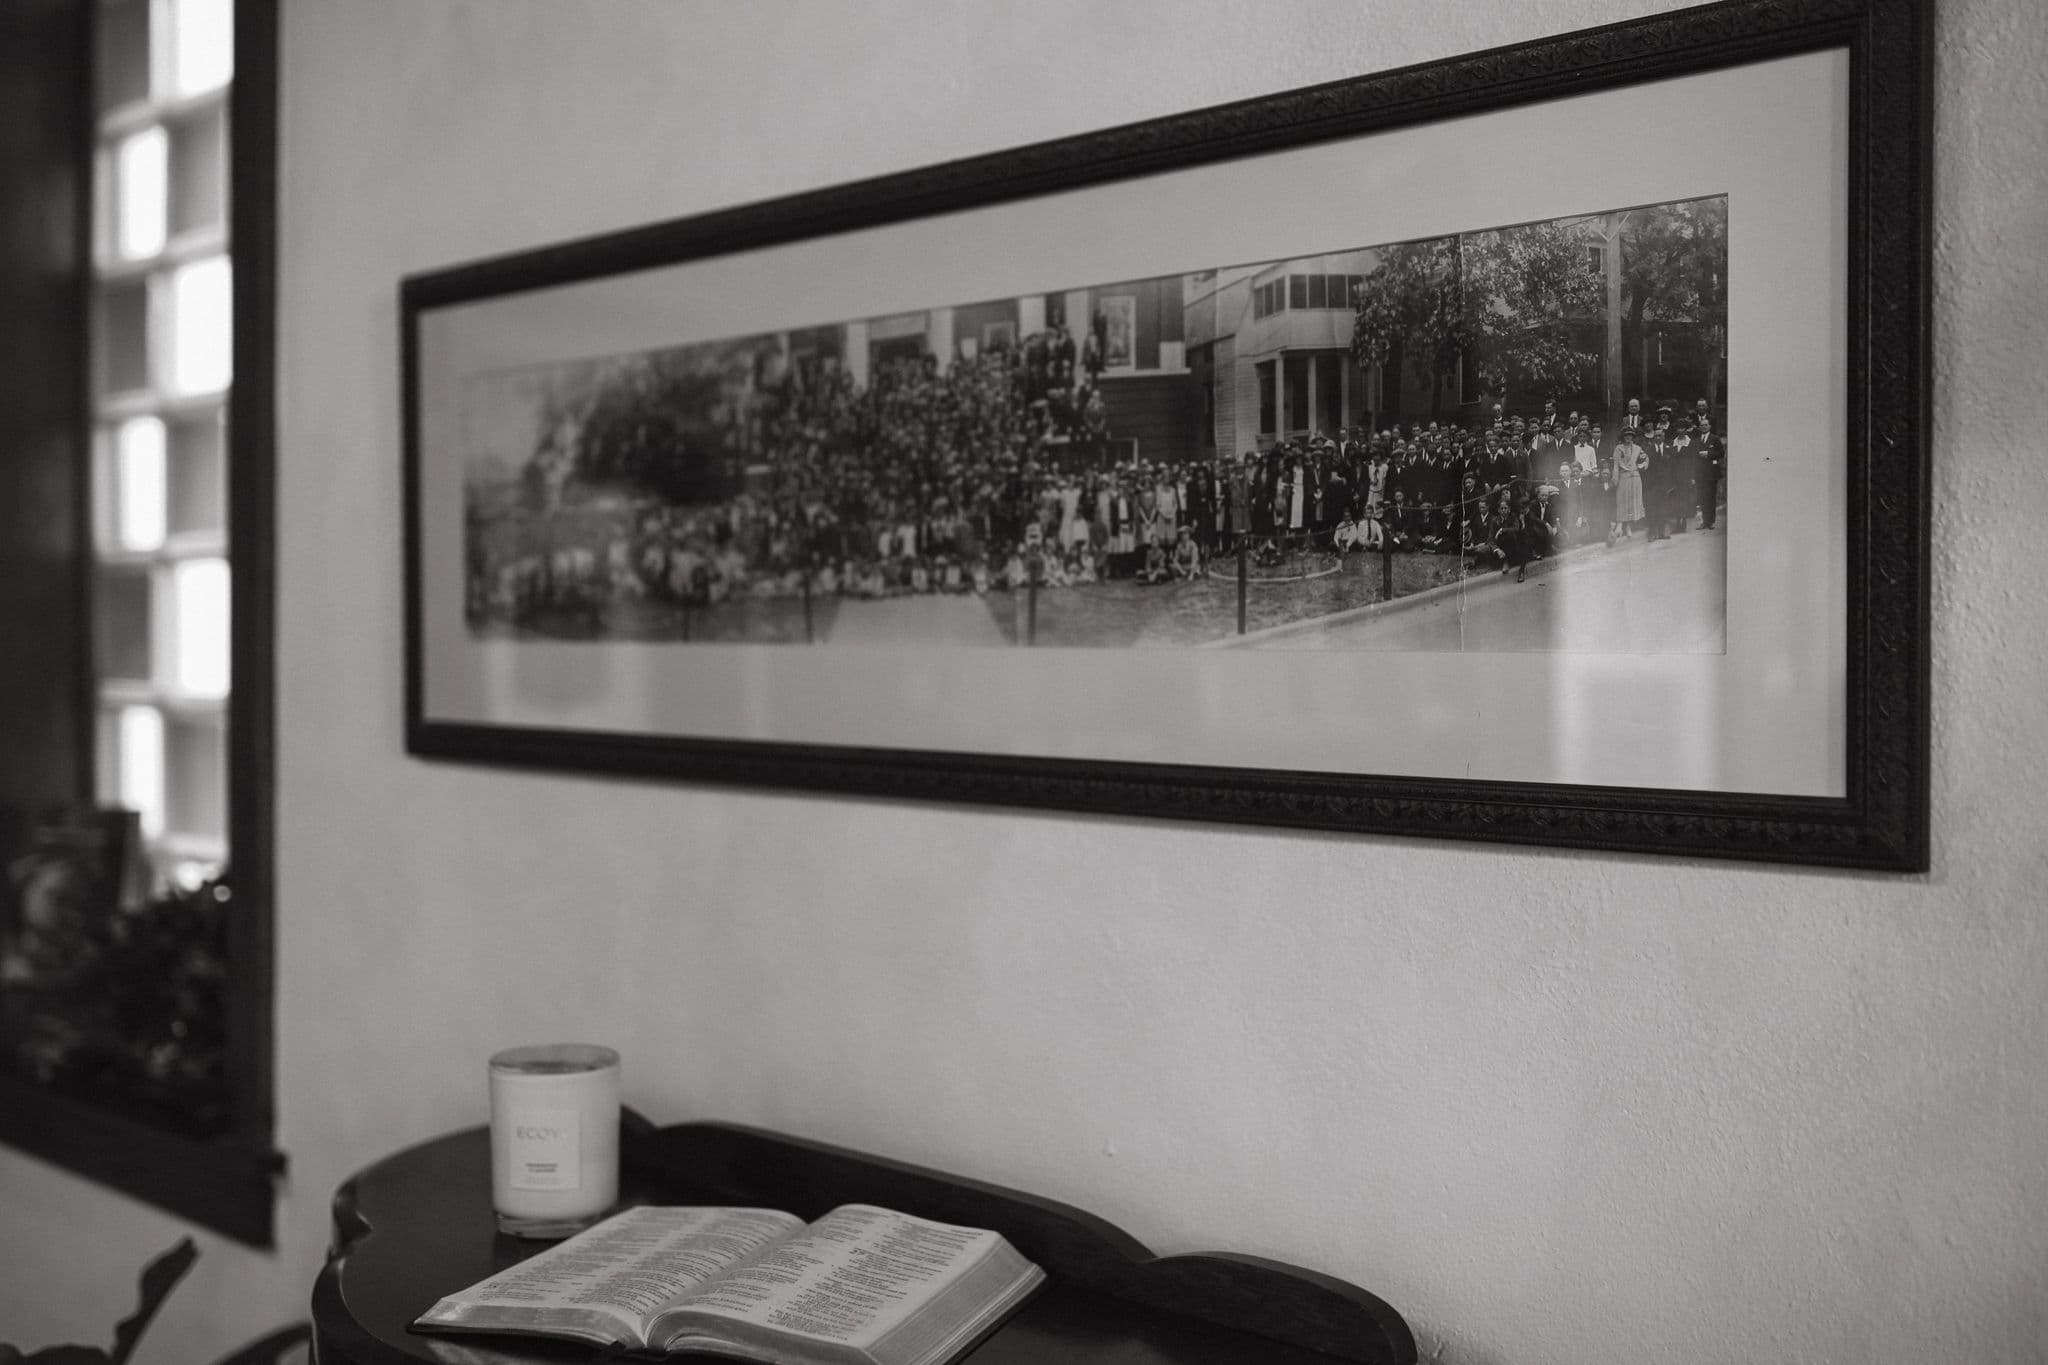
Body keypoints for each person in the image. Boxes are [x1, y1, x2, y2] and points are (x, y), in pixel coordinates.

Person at [1612, 430, 1647, 539]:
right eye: (1626, 435)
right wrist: (1615, 478)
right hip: (1623, 476)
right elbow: (1616, 465)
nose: (1628, 437)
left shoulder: (1637, 448)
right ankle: (1620, 525)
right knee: (1622, 501)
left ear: (1633, 436)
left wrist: (1643, 464)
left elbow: (1646, 458)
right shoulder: (1618, 448)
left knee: (1632, 502)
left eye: (1630, 435)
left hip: (1635, 477)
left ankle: (1628, 527)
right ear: (1623, 437)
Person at [1694, 415, 1724, 530]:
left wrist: (1709, 454)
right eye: (1702, 425)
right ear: (1699, 427)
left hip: (1711, 473)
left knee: (1711, 497)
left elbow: (1721, 453)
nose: (1704, 427)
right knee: (1702, 497)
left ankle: (1710, 521)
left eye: (1706, 425)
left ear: (1710, 426)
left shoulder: (1715, 439)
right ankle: (1704, 521)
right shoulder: (1697, 441)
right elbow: (1693, 456)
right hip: (1700, 473)